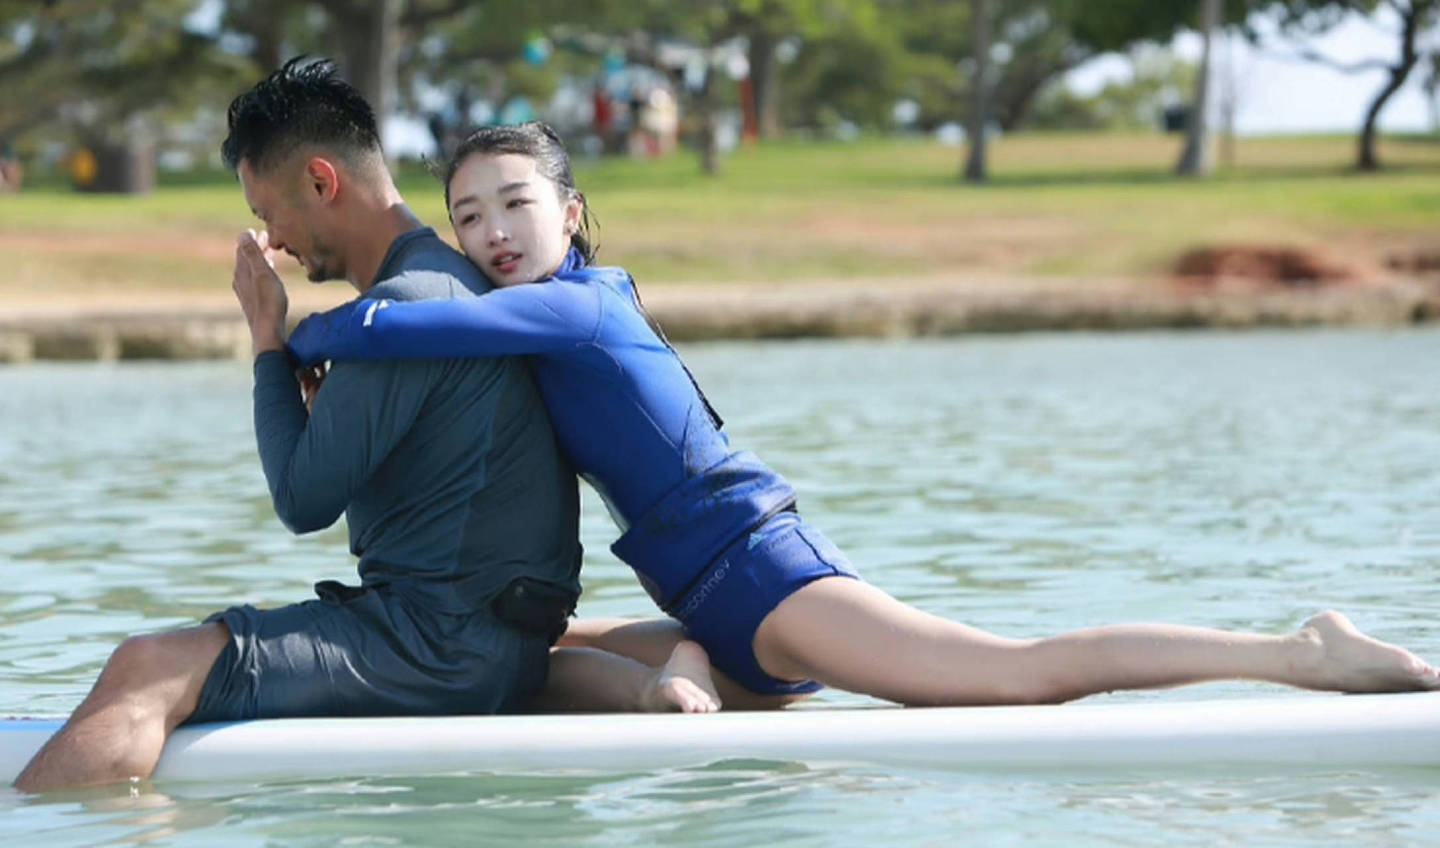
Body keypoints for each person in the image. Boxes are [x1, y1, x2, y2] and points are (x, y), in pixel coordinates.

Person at [288, 120, 1440, 710]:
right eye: (468, 214)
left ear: (571, 210)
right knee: (518, 659)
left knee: (1018, 673)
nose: (491, 233)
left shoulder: (573, 312)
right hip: (704, 596)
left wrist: (298, 330)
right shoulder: (553, 317)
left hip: (759, 573)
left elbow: (404, 329)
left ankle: (1298, 651)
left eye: (516, 205)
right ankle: (677, 672)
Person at [13, 62, 715, 795]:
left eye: (270, 211)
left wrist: (265, 338)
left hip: (439, 650)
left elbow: (301, 500)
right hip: (484, 644)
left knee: (148, 667)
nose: (271, 240)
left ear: (322, 182)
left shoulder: (407, 311)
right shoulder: (437, 288)